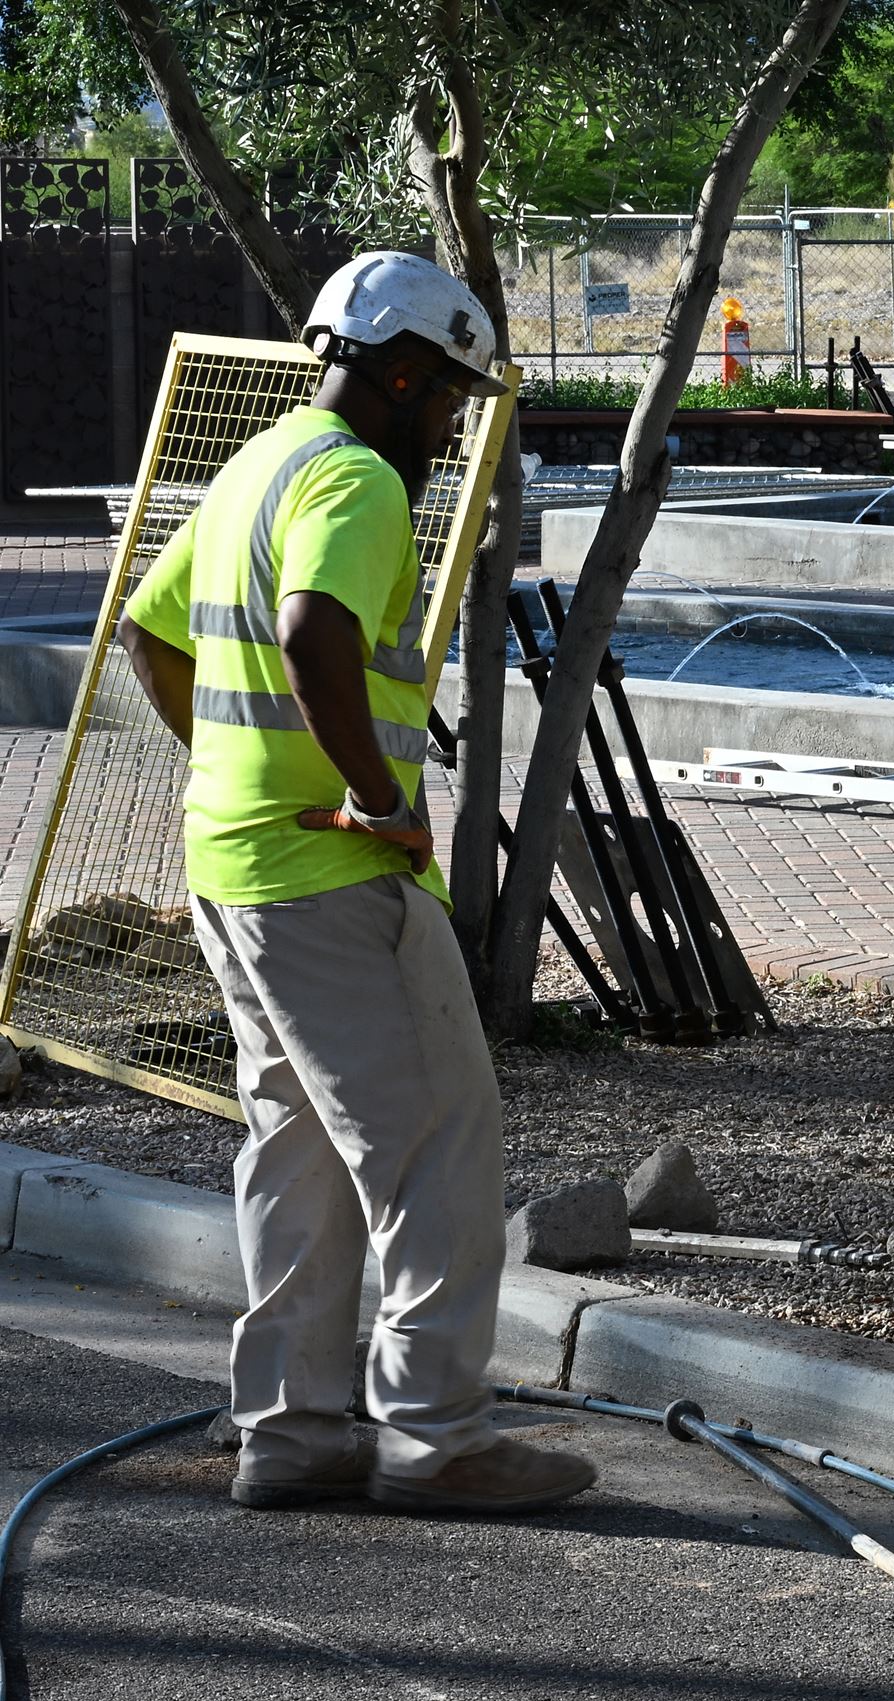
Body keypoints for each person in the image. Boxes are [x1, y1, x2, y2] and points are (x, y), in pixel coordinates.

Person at [116, 251, 597, 1516]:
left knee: (298, 1149)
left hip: (234, 862)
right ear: (397, 374)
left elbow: (150, 631)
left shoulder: (254, 463)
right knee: (435, 1143)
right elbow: (312, 633)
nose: (451, 427)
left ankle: (291, 1431)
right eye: (448, 400)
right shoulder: (358, 478)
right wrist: (379, 800)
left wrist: (240, 764)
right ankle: (437, 1436)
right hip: (334, 874)